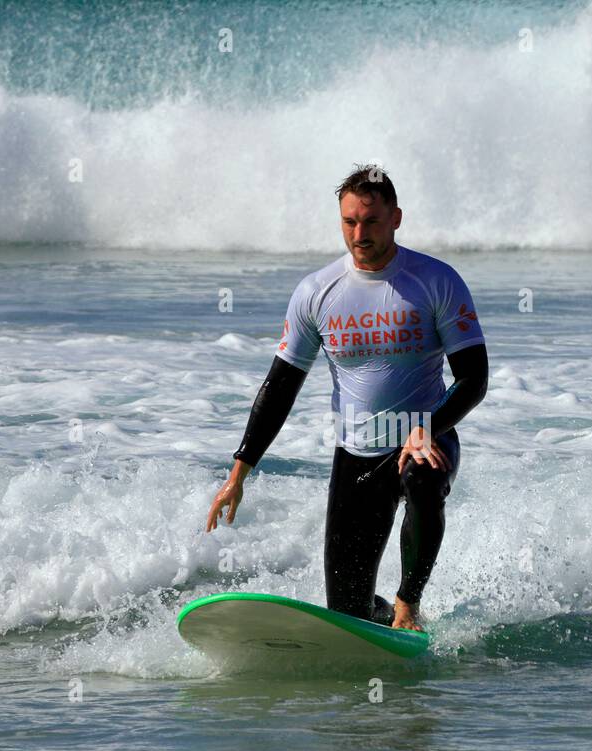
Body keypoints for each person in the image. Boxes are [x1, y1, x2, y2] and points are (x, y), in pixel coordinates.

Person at [204, 166, 489, 632]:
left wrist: (427, 427)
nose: (359, 234)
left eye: (371, 221)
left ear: (396, 218)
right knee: (348, 612)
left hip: (424, 441)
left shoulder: (435, 281)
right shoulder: (317, 292)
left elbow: (474, 378)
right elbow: (280, 387)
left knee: (422, 480)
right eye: (349, 222)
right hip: (357, 456)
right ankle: (382, 619)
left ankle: (406, 605)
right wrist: (240, 470)